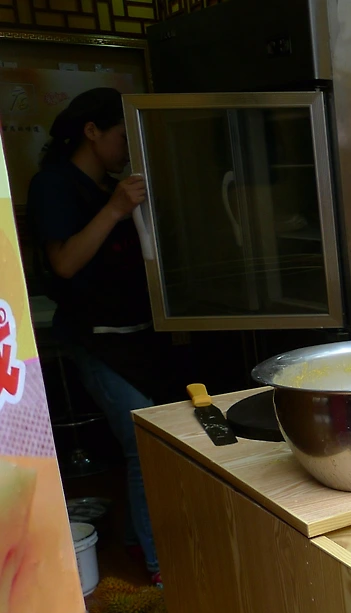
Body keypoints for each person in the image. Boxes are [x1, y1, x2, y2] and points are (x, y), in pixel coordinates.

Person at [27, 88, 170, 585]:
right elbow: (64, 263)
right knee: (144, 445)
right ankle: (159, 567)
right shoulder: (54, 185)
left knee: (147, 442)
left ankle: (134, 538)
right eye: (122, 136)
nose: (128, 148)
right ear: (91, 132)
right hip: (94, 338)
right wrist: (113, 209)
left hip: (138, 334)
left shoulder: (113, 185)